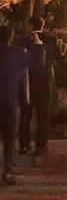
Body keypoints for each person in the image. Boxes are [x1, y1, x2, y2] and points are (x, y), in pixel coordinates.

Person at [19, 16, 67, 156]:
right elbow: (60, 60)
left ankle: (24, 144)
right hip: (45, 82)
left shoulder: (24, 42)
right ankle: (41, 144)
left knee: (26, 114)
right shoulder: (52, 41)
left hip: (28, 83)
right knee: (43, 114)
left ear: (31, 26)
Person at [0, 26, 28, 185]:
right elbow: (38, 64)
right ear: (10, 37)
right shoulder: (17, 54)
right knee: (9, 138)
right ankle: (7, 171)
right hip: (10, 103)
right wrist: (37, 44)